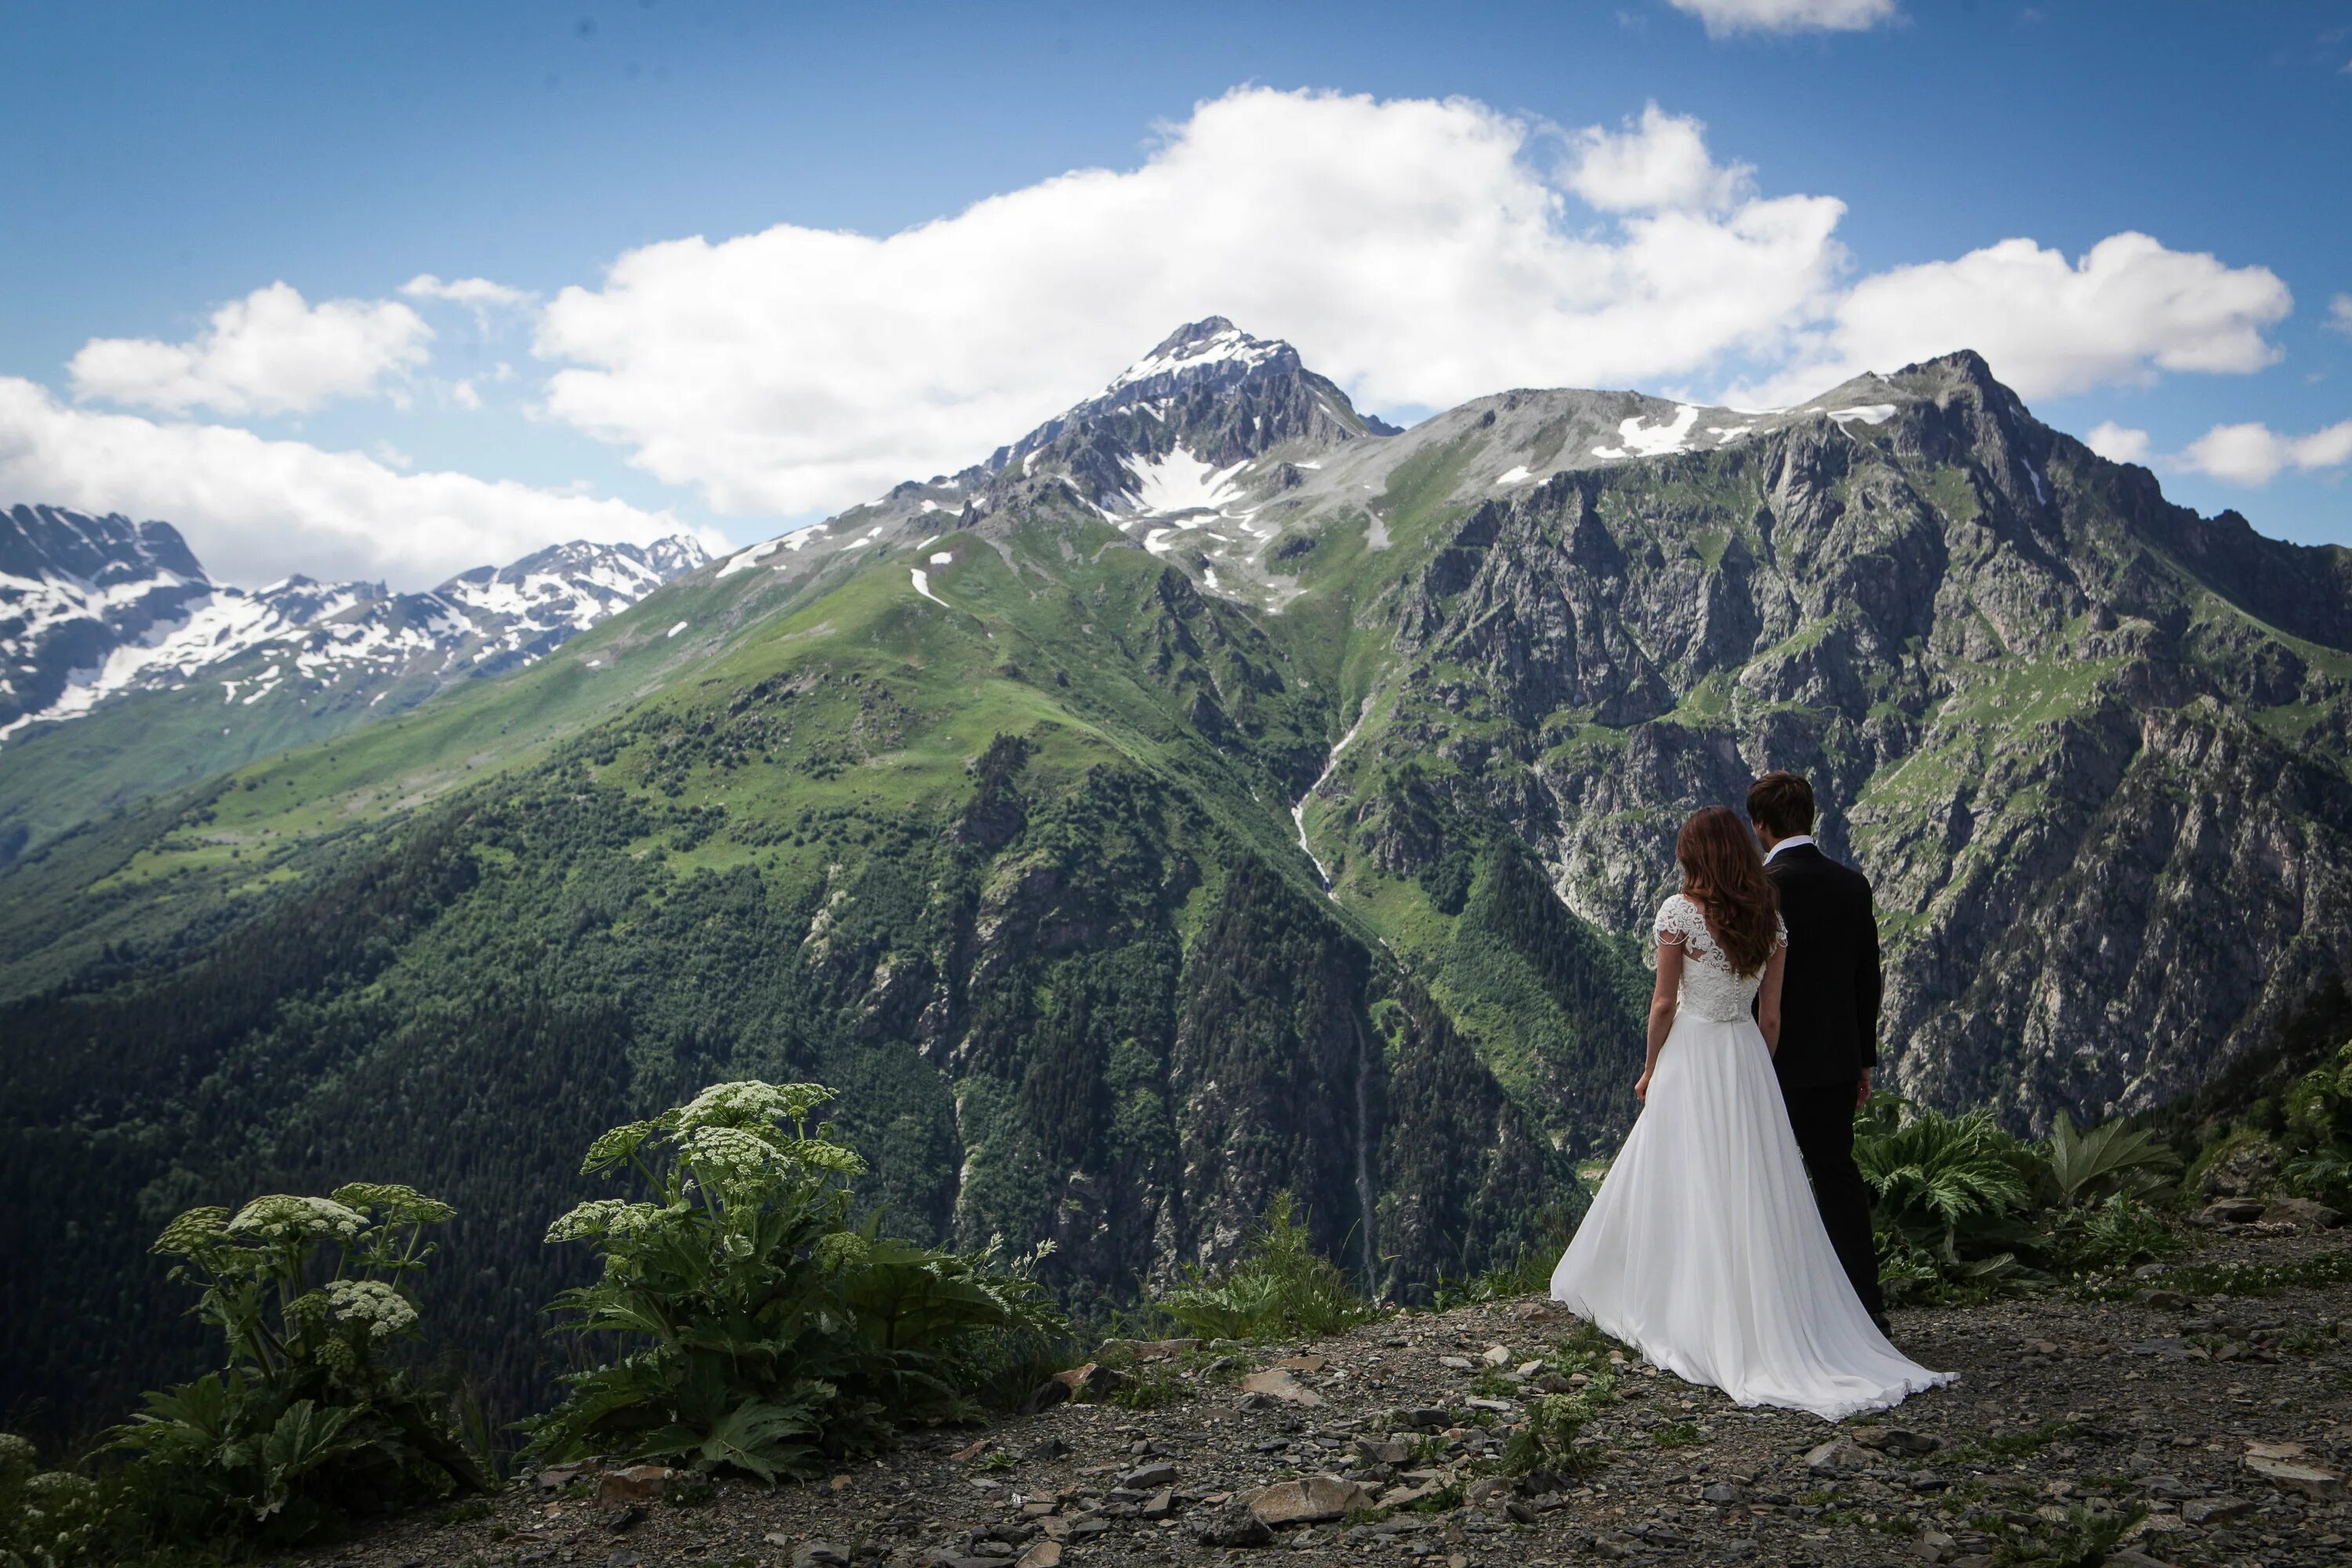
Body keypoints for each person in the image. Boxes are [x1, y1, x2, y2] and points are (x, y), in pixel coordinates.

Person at [1550, 805, 1950, 1420]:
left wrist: (1651, 1067)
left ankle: (1680, 1302)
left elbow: (1662, 1004)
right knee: (1753, 1188)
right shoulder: (1771, 919)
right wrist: (1755, 1070)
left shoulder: (1679, 913)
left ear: (1696, 856)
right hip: (1744, 1054)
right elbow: (1772, 1017)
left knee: (1683, 1173)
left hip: (1693, 1051)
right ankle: (1765, 1309)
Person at [1747, 770, 1889, 1334]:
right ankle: (1865, 1304)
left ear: (1761, 825)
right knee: (1836, 1176)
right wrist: (1863, 1060)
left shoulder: (1762, 890)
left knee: (1767, 1183)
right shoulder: (1853, 886)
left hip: (1769, 1062)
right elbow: (1866, 981)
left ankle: (1783, 1310)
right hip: (1834, 1060)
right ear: (1811, 817)